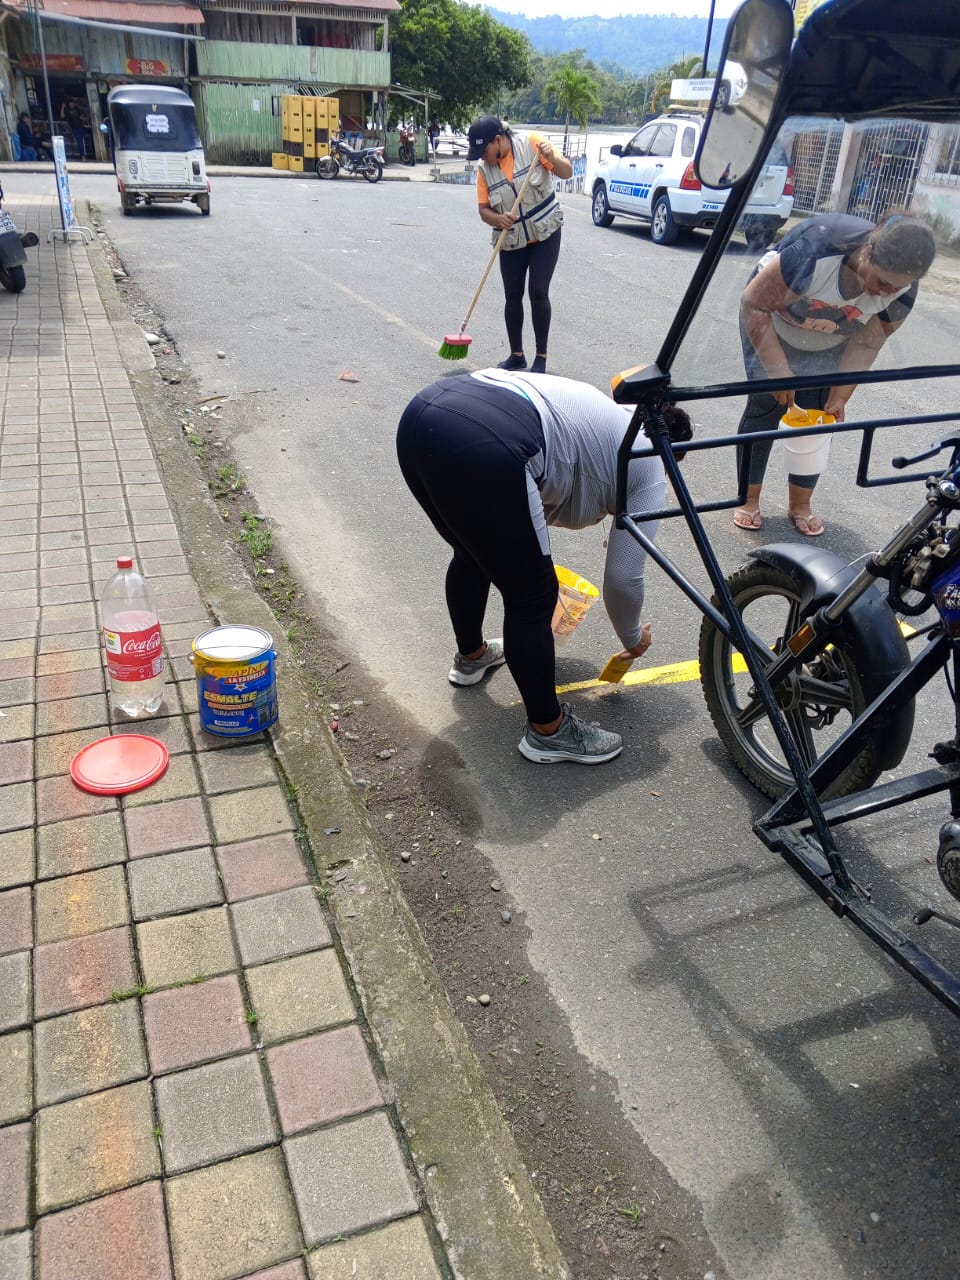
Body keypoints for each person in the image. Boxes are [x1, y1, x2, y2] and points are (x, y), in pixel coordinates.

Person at [396, 368, 689, 764]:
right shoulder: (650, 462)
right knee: (533, 596)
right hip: (485, 443)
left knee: (471, 553)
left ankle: (472, 657)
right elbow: (623, 578)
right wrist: (633, 637)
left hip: (423, 416)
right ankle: (548, 731)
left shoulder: (611, 416)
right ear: (672, 456)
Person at [734, 211, 936, 536]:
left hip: (830, 338)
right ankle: (748, 498)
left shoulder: (903, 290)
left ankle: (800, 504)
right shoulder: (817, 250)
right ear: (867, 252)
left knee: (818, 414)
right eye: (882, 282)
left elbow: (868, 341)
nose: (885, 293)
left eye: (895, 287)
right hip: (770, 322)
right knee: (767, 405)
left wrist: (841, 393)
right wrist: (778, 369)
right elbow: (754, 304)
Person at [466, 115, 573, 376]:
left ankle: (541, 357)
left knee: (538, 291)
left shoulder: (532, 143)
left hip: (545, 235)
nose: (483, 157)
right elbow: (483, 210)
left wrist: (553, 157)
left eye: (485, 151)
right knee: (512, 296)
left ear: (498, 140)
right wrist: (498, 219)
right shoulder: (484, 169)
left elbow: (566, 172)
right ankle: (516, 355)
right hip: (512, 239)